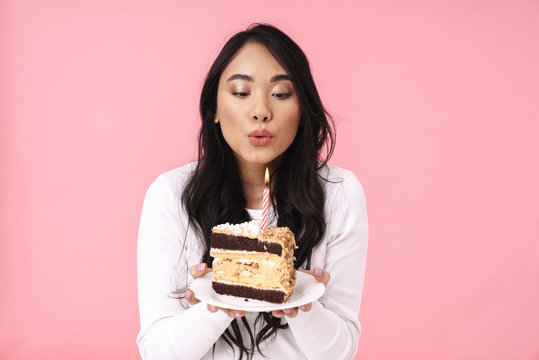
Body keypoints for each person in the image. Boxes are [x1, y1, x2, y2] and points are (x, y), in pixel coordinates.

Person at [136, 23, 368, 360]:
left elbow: (341, 352)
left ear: (303, 109)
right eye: (242, 92)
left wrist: (297, 301)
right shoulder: (171, 194)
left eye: (281, 94)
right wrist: (219, 303)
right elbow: (158, 352)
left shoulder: (340, 194)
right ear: (214, 108)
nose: (261, 111)